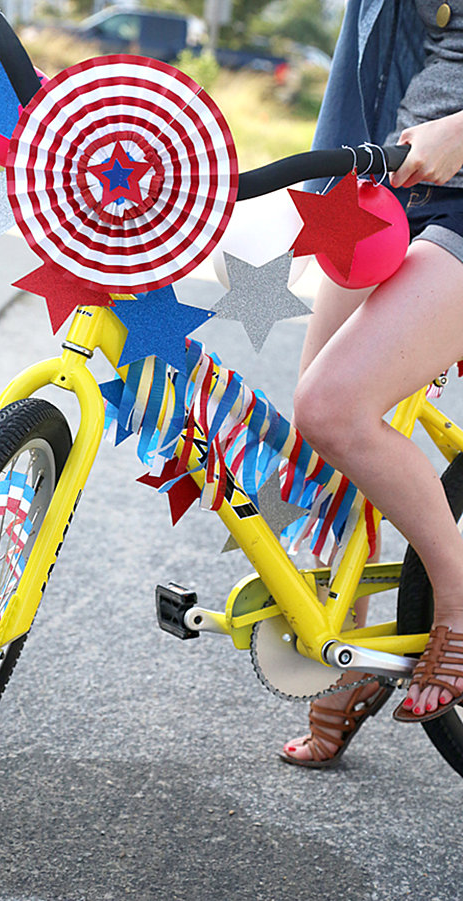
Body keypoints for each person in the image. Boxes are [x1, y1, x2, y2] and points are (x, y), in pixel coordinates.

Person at [280, 0, 463, 766]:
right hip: (381, 191)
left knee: (332, 405)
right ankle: (348, 660)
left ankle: (455, 605)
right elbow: (359, 77)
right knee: (318, 452)